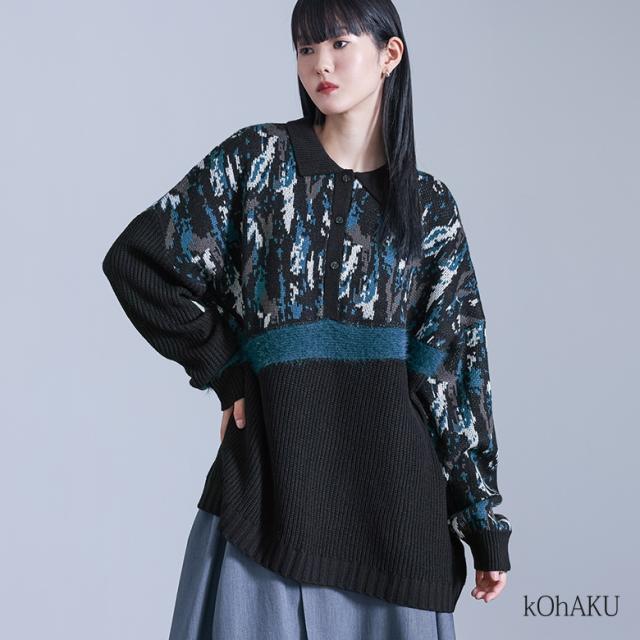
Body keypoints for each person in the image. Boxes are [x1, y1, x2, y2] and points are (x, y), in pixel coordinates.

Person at [101, 0, 512, 637]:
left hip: (397, 526)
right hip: (268, 510)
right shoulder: (257, 164)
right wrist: (225, 370)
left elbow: (455, 372)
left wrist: (481, 521)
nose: (321, 63)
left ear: (390, 55)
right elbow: (139, 261)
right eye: (305, 48)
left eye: (340, 43)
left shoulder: (428, 207)